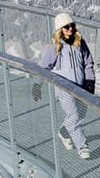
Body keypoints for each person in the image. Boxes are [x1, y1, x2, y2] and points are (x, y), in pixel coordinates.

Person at [40, 12, 95, 159]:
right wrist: (37, 85)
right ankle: (82, 146)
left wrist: (90, 81)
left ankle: (64, 131)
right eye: (66, 27)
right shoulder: (54, 47)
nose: (70, 29)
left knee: (81, 113)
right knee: (74, 115)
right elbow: (43, 67)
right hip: (63, 88)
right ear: (60, 30)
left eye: (72, 26)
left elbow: (88, 62)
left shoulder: (80, 43)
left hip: (81, 86)